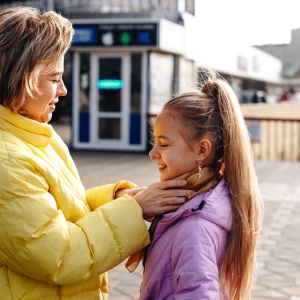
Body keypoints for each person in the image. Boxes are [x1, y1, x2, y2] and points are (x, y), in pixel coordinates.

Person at [0, 6, 195, 300]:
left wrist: (118, 198)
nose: (64, 90)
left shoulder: (34, 134)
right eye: (54, 79)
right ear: (20, 78)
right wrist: (135, 210)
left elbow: (59, 208)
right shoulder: (8, 159)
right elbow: (60, 255)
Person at [129, 70, 262, 299]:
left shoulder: (195, 229)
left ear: (202, 150)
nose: (153, 152)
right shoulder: (200, 203)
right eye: (154, 142)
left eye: (164, 144)